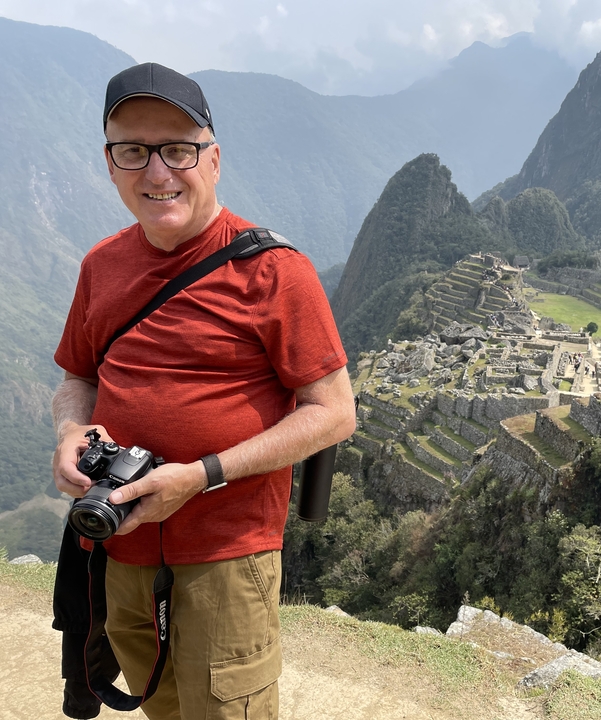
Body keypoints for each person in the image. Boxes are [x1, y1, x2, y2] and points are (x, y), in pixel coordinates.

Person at [51, 62, 356, 720]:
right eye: (133, 151)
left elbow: (333, 413)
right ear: (110, 166)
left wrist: (204, 474)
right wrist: (71, 434)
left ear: (213, 159)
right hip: (116, 549)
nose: (157, 173)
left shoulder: (277, 272)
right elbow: (78, 377)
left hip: (224, 559)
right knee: (159, 707)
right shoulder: (101, 265)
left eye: (178, 150)